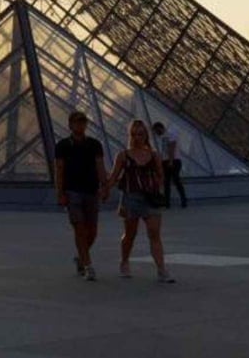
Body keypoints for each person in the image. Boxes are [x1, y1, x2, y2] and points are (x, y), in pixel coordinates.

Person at [110, 119, 174, 283]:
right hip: (131, 197)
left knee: (154, 233)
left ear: (146, 135)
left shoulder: (154, 155)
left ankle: (161, 269)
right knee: (130, 234)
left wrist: (155, 188)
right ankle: (124, 261)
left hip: (150, 198)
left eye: (140, 134)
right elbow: (114, 176)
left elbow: (161, 175)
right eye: (134, 135)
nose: (138, 138)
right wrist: (103, 190)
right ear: (130, 136)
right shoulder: (123, 155)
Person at [54, 111, 110, 281]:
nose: (80, 125)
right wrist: (60, 193)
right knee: (79, 229)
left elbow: (100, 167)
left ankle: (81, 257)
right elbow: (59, 170)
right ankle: (88, 265)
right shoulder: (62, 145)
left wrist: (105, 186)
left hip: (91, 191)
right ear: (70, 125)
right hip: (72, 192)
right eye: (77, 122)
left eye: (82, 122)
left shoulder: (95, 144)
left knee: (92, 231)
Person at [153, 122, 186, 209]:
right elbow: (163, 151)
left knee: (176, 180)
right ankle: (167, 203)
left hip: (174, 161)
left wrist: (170, 161)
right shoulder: (163, 137)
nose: (156, 133)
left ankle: (183, 201)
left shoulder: (170, 134)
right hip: (166, 161)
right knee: (166, 182)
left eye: (157, 131)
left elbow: (172, 147)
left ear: (160, 128)